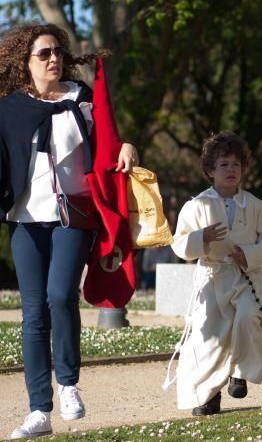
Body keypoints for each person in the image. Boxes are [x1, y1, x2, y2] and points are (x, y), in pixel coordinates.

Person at [0, 23, 139, 439]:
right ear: (26, 63)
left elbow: (110, 140)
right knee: (33, 311)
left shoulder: (81, 99)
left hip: (73, 214)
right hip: (25, 218)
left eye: (57, 51)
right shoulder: (9, 107)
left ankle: (68, 384)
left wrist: (128, 147)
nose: (53, 58)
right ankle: (38, 410)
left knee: (61, 295)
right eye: (43, 54)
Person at [169, 131, 262, 416]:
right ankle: (207, 396)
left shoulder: (255, 205)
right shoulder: (196, 206)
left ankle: (240, 373)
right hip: (211, 279)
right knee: (209, 339)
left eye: (236, 164)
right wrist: (202, 238)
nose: (231, 170)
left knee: (247, 318)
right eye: (224, 164)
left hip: (246, 277)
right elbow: (180, 242)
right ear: (210, 170)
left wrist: (250, 255)